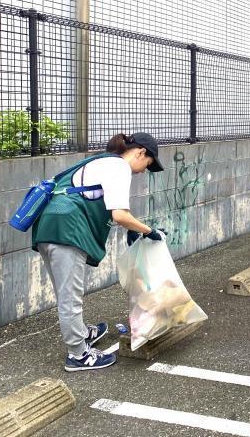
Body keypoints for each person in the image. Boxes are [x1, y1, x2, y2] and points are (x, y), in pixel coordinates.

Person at [32, 132, 165, 371]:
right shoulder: (119, 167)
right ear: (141, 152)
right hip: (66, 231)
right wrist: (148, 231)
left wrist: (132, 229)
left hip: (51, 226)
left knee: (67, 292)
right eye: (148, 164)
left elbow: (95, 200)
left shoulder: (102, 161)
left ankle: (82, 333)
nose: (144, 170)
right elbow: (120, 214)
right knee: (70, 297)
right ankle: (78, 355)